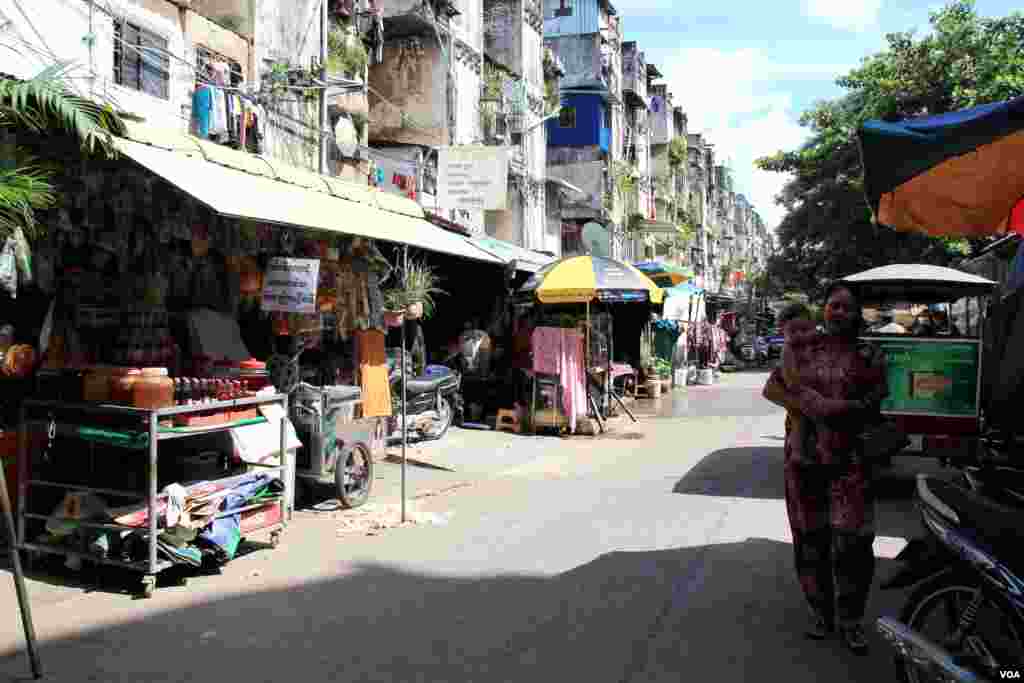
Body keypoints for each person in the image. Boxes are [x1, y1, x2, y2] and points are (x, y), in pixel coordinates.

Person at [762, 283, 889, 654]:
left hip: (850, 461)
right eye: (833, 305)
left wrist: (837, 411)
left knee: (854, 542)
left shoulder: (869, 354)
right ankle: (821, 613)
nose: (838, 312)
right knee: (810, 540)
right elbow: (772, 389)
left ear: (857, 314)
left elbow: (875, 400)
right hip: (804, 462)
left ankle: (851, 620)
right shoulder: (803, 347)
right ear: (824, 310)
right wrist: (808, 405)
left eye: (847, 307)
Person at [778, 302, 820, 465]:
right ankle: (797, 452)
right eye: (793, 331)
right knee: (800, 422)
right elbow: (790, 378)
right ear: (784, 332)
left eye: (804, 330)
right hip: (799, 395)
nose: (799, 335)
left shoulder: (815, 345)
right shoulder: (789, 349)